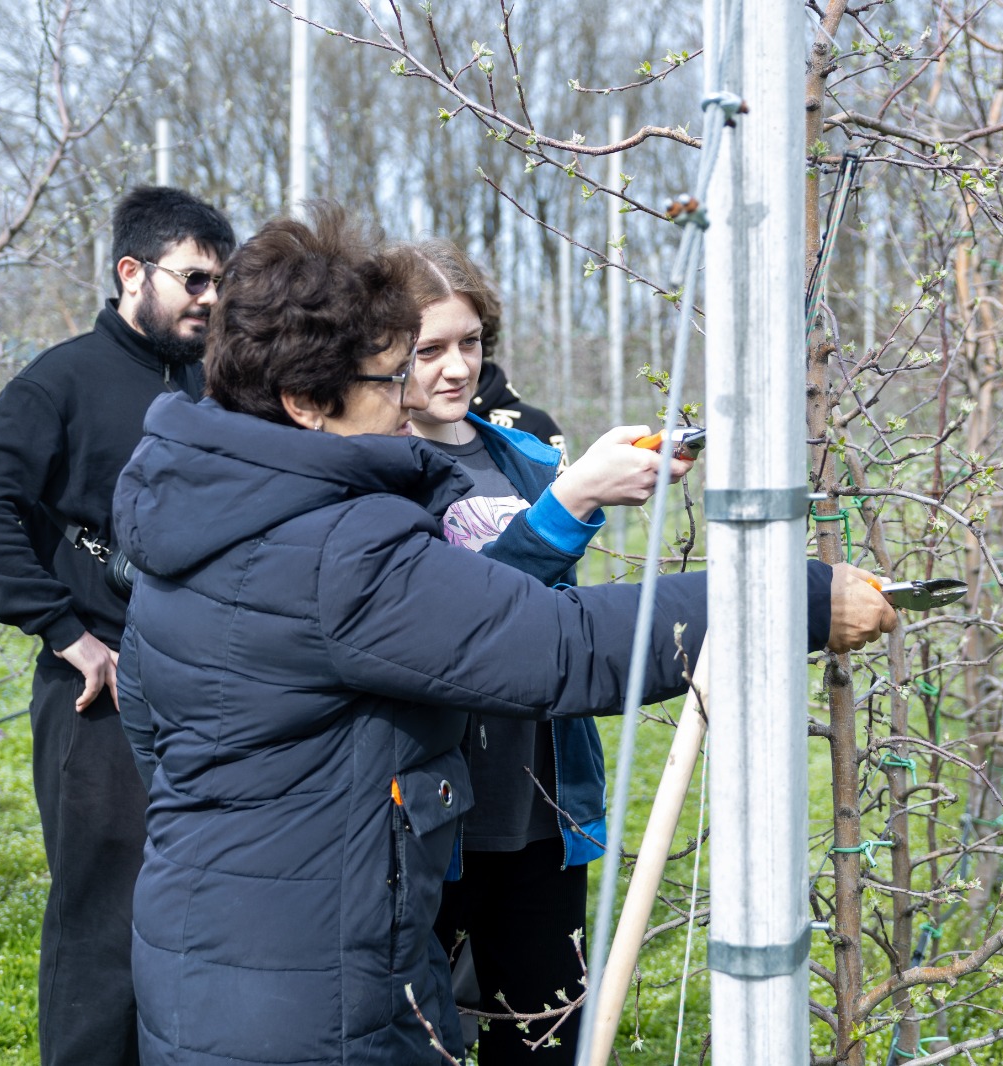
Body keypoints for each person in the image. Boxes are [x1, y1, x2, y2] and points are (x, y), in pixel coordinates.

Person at [112, 204, 896, 1065]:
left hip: (194, 959)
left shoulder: (191, 513)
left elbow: (150, 730)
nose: (411, 399)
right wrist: (794, 599)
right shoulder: (340, 545)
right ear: (304, 403)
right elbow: (563, 647)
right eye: (391, 378)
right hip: (314, 994)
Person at [0, 186, 235, 1066]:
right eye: (194, 279)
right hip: (96, 700)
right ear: (131, 272)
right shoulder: (62, 380)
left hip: (201, 692)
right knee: (103, 926)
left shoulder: (211, 384)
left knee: (190, 917)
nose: (210, 299)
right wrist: (65, 630)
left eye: (221, 282)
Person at [392, 238, 685, 1063]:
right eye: (429, 350)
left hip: (540, 810)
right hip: (428, 814)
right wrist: (574, 499)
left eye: (471, 342)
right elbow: (453, 626)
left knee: (544, 1034)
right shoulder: (378, 469)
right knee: (417, 1038)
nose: (457, 368)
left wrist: (585, 483)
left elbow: (542, 622)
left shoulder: (523, 457)